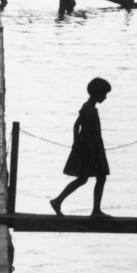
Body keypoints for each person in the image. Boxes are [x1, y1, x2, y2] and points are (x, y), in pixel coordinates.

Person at [50, 77, 112, 218]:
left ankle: (58, 201)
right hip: (91, 149)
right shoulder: (89, 109)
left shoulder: (87, 107)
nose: (105, 97)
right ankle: (95, 211)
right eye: (104, 94)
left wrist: (76, 143)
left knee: (84, 179)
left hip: (88, 147)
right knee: (100, 177)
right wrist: (82, 146)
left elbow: (76, 126)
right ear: (98, 93)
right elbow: (83, 128)